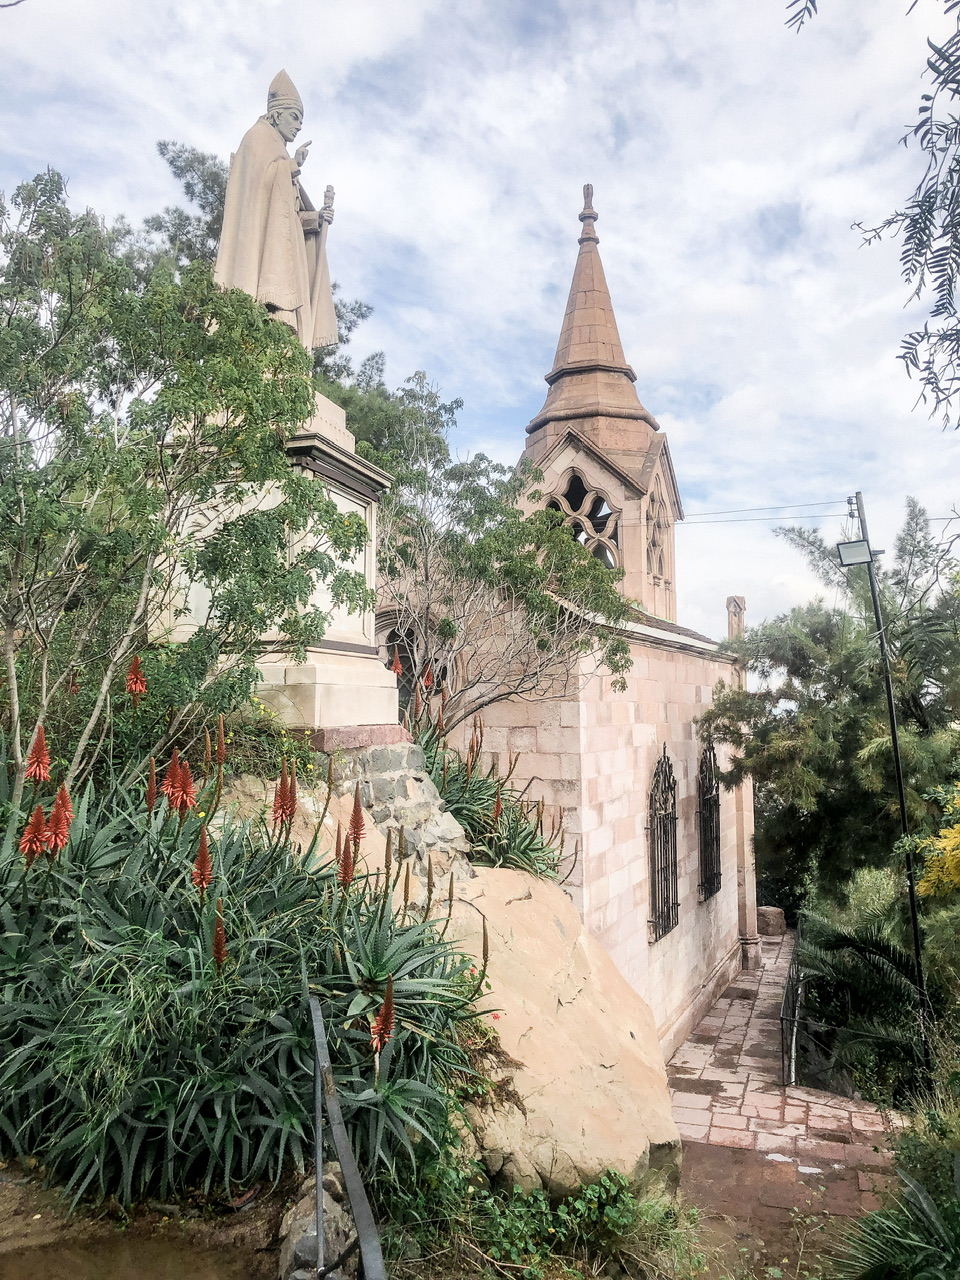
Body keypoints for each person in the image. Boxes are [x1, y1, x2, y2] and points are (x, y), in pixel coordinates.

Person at [214, 70, 338, 352]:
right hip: (264, 260)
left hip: (285, 254)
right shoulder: (257, 138)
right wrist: (292, 166)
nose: (298, 126)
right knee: (270, 318)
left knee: (286, 335)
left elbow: (289, 214)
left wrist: (316, 219)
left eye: (301, 121)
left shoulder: (280, 151)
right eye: (294, 117)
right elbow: (259, 188)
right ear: (276, 113)